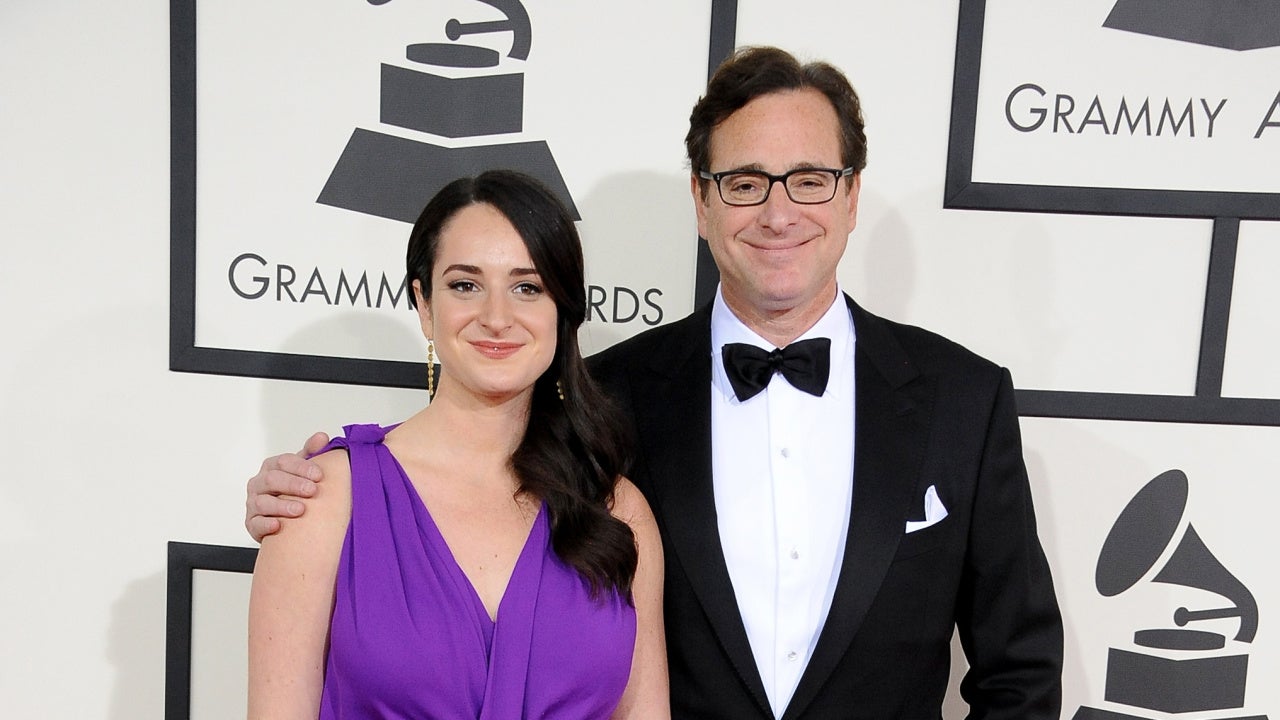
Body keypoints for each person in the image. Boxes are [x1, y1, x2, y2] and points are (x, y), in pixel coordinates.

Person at [247, 47, 1062, 719]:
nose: (779, 213)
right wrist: (308, 492)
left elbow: (1019, 672)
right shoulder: (605, 400)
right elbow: (459, 493)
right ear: (702, 203)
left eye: (810, 178)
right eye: (744, 182)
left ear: (850, 196)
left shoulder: (964, 400)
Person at [247, 170, 668, 719]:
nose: (496, 318)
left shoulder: (617, 511)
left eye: (528, 287)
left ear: (562, 312)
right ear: (424, 304)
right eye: (465, 285)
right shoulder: (323, 499)